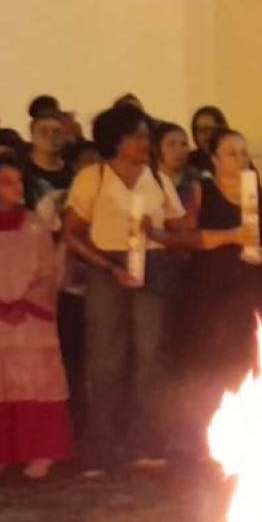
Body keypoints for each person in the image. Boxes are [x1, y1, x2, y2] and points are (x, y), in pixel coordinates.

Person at [63, 104, 184, 474]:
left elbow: (178, 229)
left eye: (147, 136)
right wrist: (108, 267)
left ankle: (149, 441)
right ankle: (101, 446)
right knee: (105, 358)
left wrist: (158, 231)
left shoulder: (159, 179)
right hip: (107, 269)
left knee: (151, 358)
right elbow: (72, 233)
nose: (144, 143)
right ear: (116, 140)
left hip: (152, 264)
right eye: (136, 137)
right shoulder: (93, 177)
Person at [0, 157, 72, 479]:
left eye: (19, 181)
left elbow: (49, 272)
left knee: (36, 381)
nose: (17, 188)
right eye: (7, 182)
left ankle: (40, 451)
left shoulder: (36, 226)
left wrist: (26, 303)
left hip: (31, 319)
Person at [168, 128, 262, 439]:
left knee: (249, 358)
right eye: (231, 153)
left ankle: (250, 432)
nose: (240, 158)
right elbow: (183, 238)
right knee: (209, 361)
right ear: (215, 159)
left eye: (244, 152)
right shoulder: (200, 192)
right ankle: (203, 433)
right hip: (210, 290)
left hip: (251, 288)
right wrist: (229, 236)